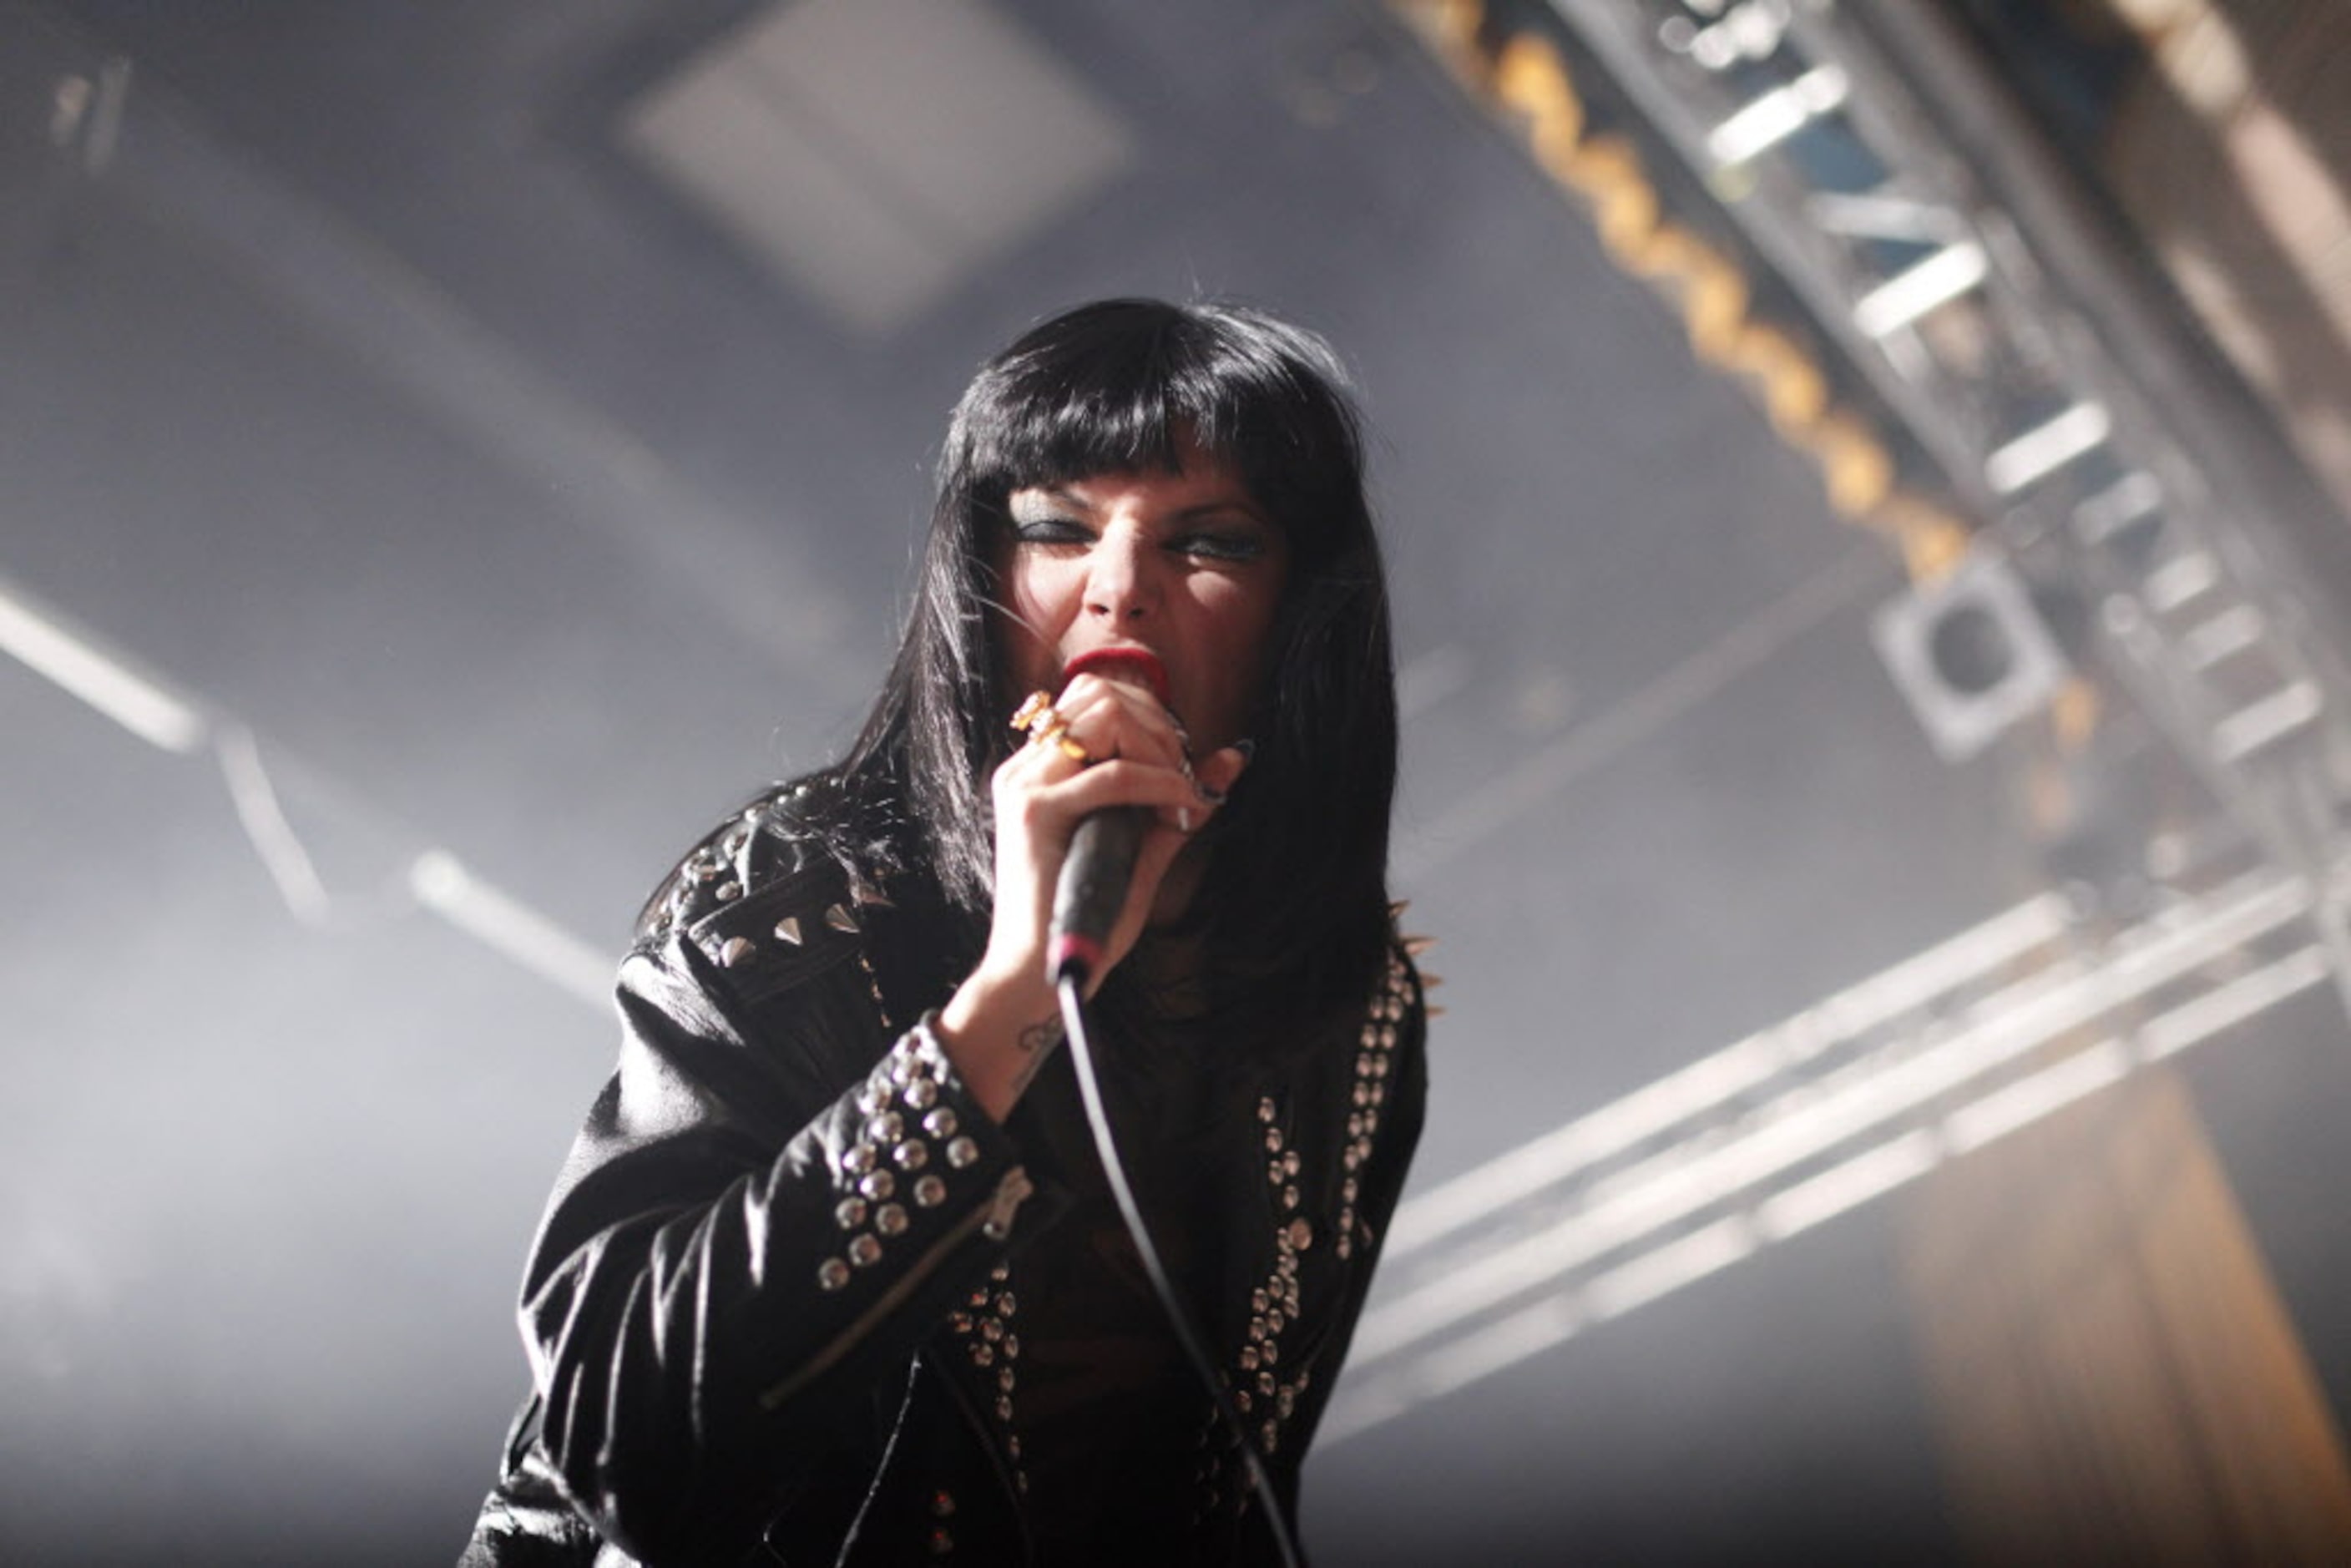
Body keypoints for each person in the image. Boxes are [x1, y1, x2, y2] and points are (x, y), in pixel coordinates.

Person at [459, 298, 1429, 1566]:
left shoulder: (1349, 1010)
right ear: (984, 581)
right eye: (1055, 529)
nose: (1118, 588)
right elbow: (623, 1432)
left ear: (1301, 617)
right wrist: (1015, 988)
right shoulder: (797, 903)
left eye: (1211, 542)